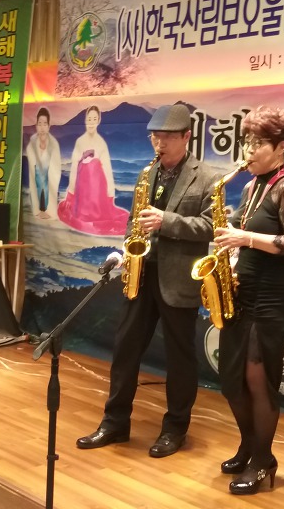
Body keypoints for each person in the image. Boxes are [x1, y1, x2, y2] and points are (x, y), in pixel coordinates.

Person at [76, 103, 220, 458]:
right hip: (141, 275)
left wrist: (166, 221)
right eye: (155, 137)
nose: (160, 144)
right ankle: (114, 422)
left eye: (168, 137)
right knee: (125, 350)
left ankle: (175, 429)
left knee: (180, 358)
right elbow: (133, 220)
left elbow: (212, 227)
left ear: (187, 136)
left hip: (179, 279)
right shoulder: (147, 173)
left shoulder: (207, 177)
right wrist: (129, 247)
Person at [212, 106, 284, 495]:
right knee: (230, 379)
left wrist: (247, 239)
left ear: (281, 147)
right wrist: (229, 248)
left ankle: (262, 459)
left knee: (257, 378)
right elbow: (241, 235)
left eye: (257, 144)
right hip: (243, 291)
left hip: (273, 296)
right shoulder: (250, 188)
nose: (248, 151)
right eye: (246, 142)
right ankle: (249, 445)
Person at [56, 105, 129, 235]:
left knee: (94, 164)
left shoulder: (101, 143)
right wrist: (70, 194)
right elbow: (74, 168)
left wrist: (110, 193)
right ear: (85, 120)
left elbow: (107, 170)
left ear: (99, 121)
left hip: (97, 192)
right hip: (81, 192)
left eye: (94, 119)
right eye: (89, 119)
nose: (91, 122)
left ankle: (95, 209)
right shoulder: (80, 142)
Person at [25, 107, 61, 219]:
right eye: (39, 124)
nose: (42, 127)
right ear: (36, 125)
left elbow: (56, 167)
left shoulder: (54, 144)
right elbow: (31, 165)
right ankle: (37, 209)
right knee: (37, 182)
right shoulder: (32, 143)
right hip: (36, 174)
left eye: (45, 124)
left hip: (49, 177)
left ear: (49, 126)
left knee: (46, 183)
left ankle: (48, 210)